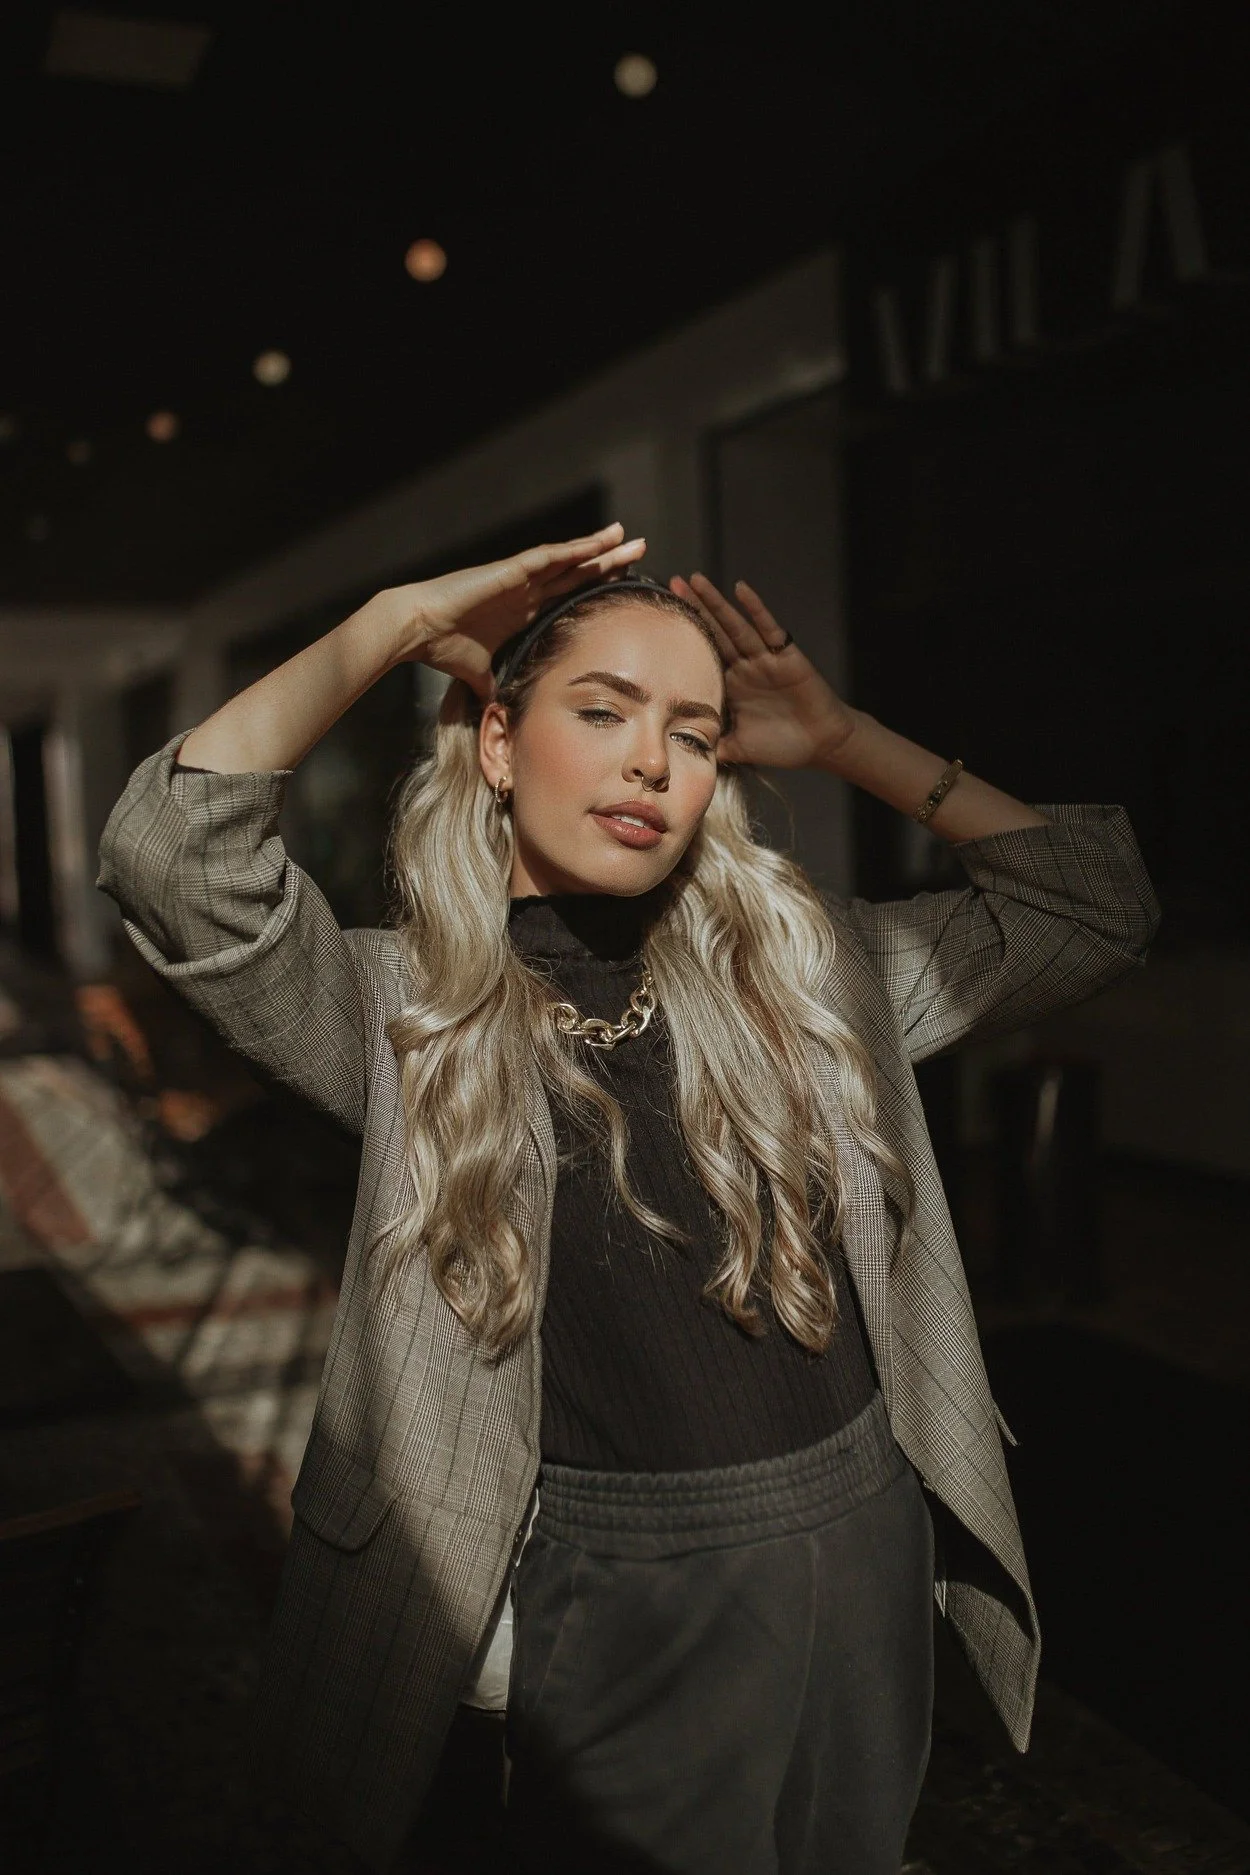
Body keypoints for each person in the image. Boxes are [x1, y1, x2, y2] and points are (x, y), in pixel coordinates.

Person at [97, 520, 1160, 1874]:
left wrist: (841, 736)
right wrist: (391, 621)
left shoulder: (806, 970)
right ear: (495, 742)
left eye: (697, 734)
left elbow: (1089, 908)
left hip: (862, 1520)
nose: (652, 760)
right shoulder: (394, 1007)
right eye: (601, 711)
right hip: (614, 1576)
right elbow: (176, 858)